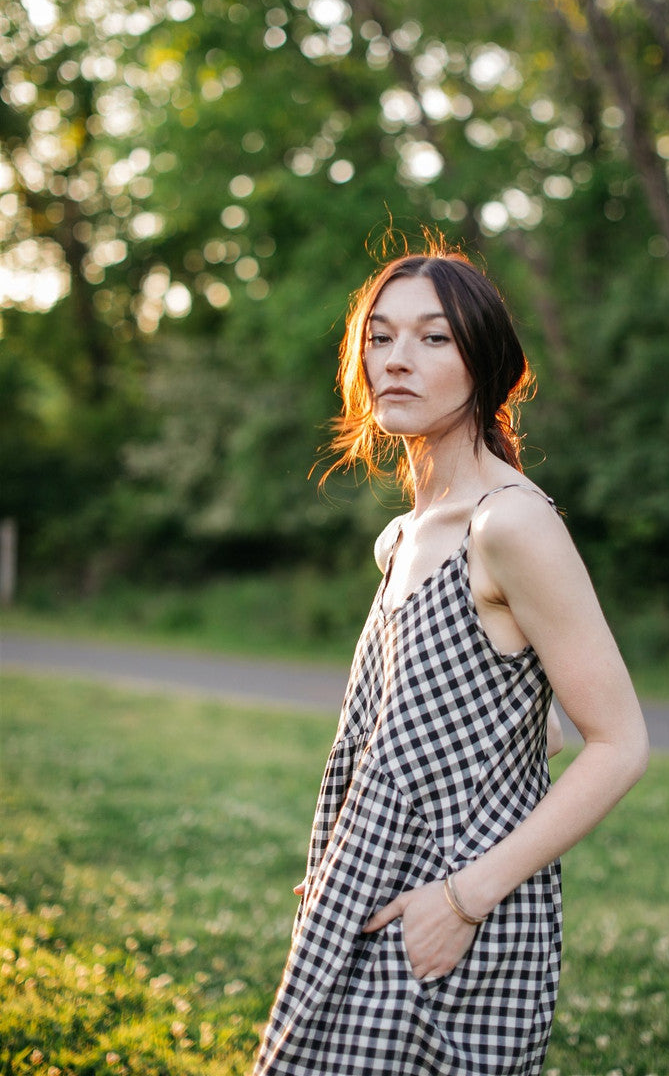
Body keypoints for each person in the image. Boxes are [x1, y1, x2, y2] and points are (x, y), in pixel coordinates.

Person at [253, 246, 649, 1076]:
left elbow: (617, 744)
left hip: (459, 913)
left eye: (434, 339)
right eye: (381, 336)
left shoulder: (508, 525)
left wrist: (462, 897)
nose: (397, 358)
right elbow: (494, 717)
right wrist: (360, 846)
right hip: (368, 888)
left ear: (487, 364)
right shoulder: (401, 536)